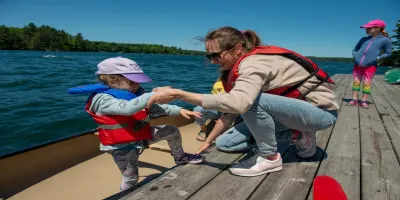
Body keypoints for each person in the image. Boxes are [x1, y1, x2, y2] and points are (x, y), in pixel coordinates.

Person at [148, 27, 339, 177]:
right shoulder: (241, 66)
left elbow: (240, 104)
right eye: (209, 56)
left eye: (216, 55)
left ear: (238, 49)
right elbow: (230, 110)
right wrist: (208, 140)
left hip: (320, 114)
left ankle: (270, 157)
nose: (213, 61)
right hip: (292, 112)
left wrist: (180, 94)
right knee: (226, 144)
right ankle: (297, 134)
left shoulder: (254, 63)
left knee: (252, 102)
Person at [68, 57, 205, 191]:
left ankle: (180, 157)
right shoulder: (102, 99)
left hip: (140, 135)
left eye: (139, 82)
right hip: (120, 147)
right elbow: (127, 109)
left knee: (171, 130)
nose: (138, 85)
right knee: (131, 179)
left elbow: (152, 109)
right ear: (113, 80)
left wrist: (178, 110)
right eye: (133, 82)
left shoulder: (134, 94)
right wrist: (153, 95)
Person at [348, 19, 392, 108]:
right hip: (358, 65)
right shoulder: (363, 39)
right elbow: (355, 49)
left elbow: (388, 53)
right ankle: (354, 99)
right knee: (356, 82)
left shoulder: (385, 40)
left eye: (369, 28)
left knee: (367, 83)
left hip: (371, 66)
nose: (366, 30)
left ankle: (364, 100)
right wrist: (355, 56)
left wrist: (377, 58)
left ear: (378, 28)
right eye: (366, 28)